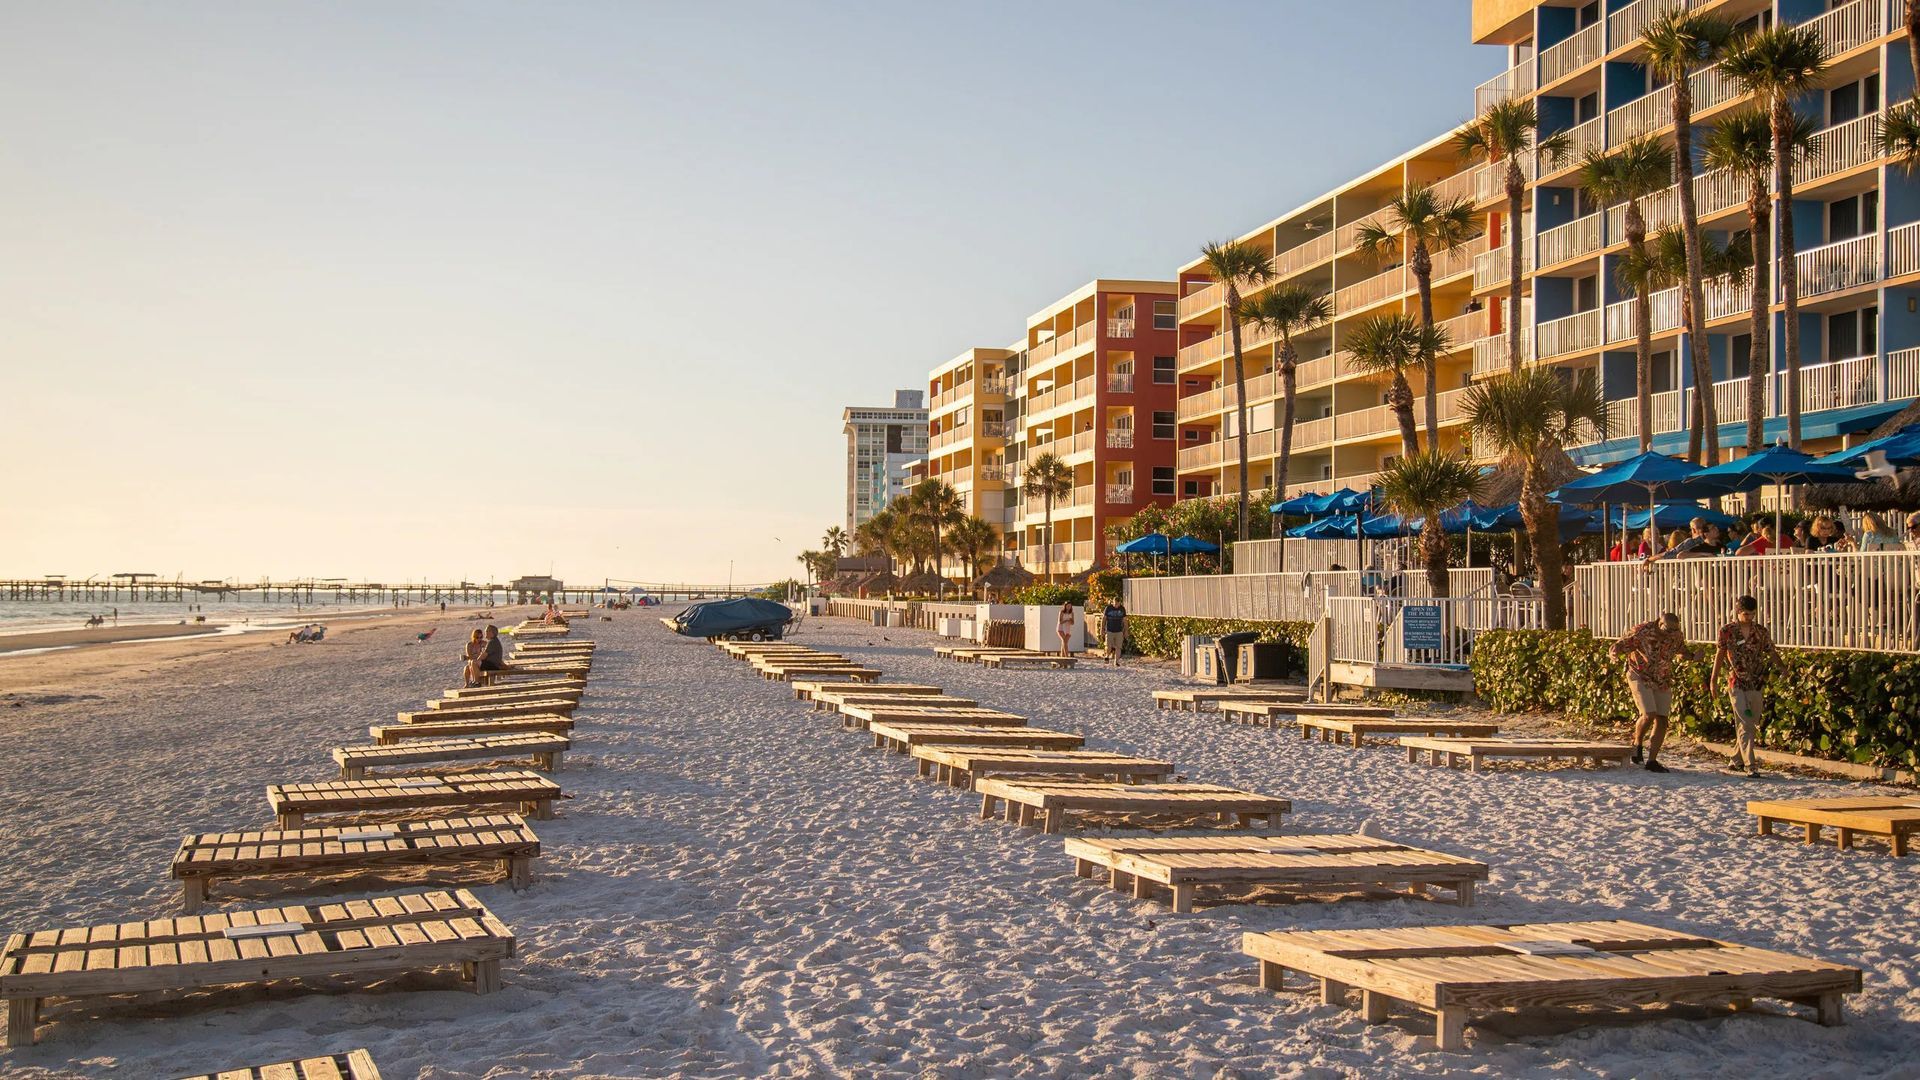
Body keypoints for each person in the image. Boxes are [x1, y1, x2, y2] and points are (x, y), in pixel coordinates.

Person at [1711, 595, 1780, 778]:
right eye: (1745, 614)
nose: (1748, 618)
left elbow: (1770, 651)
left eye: (1751, 614)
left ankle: (1736, 759)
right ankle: (1751, 765)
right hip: (1737, 681)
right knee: (1745, 722)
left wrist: (1783, 668)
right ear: (1738, 612)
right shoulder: (1727, 630)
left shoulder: (1760, 631)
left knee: (1751, 723)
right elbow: (1719, 655)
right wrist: (1713, 681)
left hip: (1756, 681)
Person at [1611, 611, 1688, 773]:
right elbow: (1621, 644)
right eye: (1668, 631)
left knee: (1662, 718)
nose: (1671, 634)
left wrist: (1693, 656)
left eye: (1674, 631)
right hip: (1639, 674)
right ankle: (1637, 742)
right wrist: (1614, 653)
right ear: (1660, 624)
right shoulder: (1642, 631)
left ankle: (1652, 760)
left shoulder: (1675, 634)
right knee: (1648, 713)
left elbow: (1681, 651)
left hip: (1662, 678)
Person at [1645, 518, 1713, 566]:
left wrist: (1649, 559)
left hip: (1689, 579)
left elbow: (1670, 554)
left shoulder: (1691, 542)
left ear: (1693, 530)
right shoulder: (1711, 540)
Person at [1100, 599, 1127, 666]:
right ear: (1113, 602)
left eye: (1117, 604)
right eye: (1115, 604)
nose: (1116, 605)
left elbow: (1125, 620)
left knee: (1118, 647)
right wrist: (1102, 629)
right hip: (1109, 630)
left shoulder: (1122, 609)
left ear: (1119, 603)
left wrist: (1126, 630)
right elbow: (1104, 619)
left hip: (1119, 631)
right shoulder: (1108, 608)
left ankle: (1116, 661)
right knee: (1109, 646)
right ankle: (1107, 655)